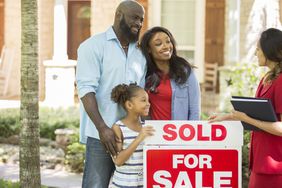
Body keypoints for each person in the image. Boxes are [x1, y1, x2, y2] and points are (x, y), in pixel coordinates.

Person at [75, 1, 146, 187]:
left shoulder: (141, 53)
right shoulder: (92, 46)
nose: (139, 23)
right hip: (102, 135)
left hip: (132, 135)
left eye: (141, 20)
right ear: (119, 15)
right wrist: (102, 128)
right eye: (135, 18)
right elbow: (85, 89)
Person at [209, 28, 282, 188]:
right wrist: (225, 117)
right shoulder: (267, 79)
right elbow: (257, 113)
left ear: (270, 50)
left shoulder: (281, 82)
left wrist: (247, 120)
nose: (256, 53)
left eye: (258, 49)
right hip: (261, 161)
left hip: (275, 165)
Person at [140, 26, 200, 120]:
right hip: (153, 132)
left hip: (180, 133)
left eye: (168, 41)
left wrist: (190, 133)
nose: (166, 46)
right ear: (149, 49)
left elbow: (194, 111)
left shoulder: (186, 72)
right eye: (158, 43)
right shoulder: (144, 75)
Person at [108, 83, 154, 187]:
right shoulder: (118, 128)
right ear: (129, 105)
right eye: (143, 100)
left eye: (148, 100)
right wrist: (139, 138)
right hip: (123, 184)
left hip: (143, 184)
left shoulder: (146, 127)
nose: (148, 104)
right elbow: (118, 161)